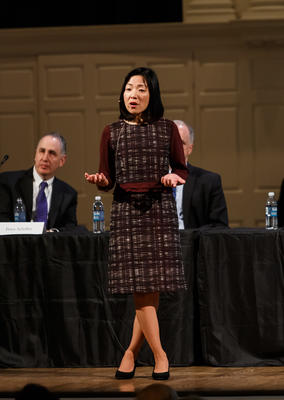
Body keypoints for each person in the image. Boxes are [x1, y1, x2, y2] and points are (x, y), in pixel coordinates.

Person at [85, 67, 188, 380]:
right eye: (129, 88)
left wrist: (174, 177)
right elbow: (108, 177)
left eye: (141, 89)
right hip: (127, 211)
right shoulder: (111, 131)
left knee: (149, 291)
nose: (134, 95)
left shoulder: (167, 128)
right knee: (141, 291)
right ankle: (160, 355)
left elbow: (182, 170)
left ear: (152, 94)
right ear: (122, 94)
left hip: (159, 209)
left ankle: (130, 354)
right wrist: (100, 180)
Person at [0, 132, 78, 232]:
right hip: (16, 245)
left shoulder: (68, 194)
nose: (45, 158)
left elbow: (70, 229)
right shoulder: (8, 182)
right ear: (35, 154)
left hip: (50, 246)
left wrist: (52, 233)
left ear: (62, 161)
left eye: (52, 153)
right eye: (41, 151)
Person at [173, 120, 228, 229]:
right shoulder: (150, 180)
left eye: (181, 143)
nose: (175, 147)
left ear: (190, 149)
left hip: (193, 243)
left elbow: (219, 226)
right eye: (172, 142)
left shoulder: (209, 181)